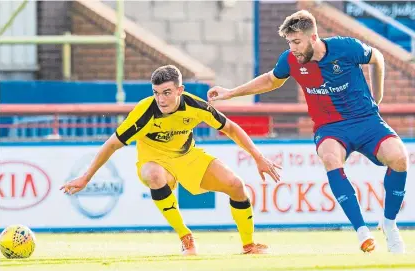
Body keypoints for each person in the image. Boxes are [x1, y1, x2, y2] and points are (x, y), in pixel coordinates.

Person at [207, 10, 408, 254]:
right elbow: (271, 80)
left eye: (297, 42)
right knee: (330, 157)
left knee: (399, 157)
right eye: (289, 42)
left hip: (366, 120)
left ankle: (389, 224)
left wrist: (378, 96)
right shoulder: (291, 60)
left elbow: (378, 59)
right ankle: (361, 231)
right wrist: (230, 93)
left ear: (313, 37)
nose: (293, 48)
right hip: (330, 127)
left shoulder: (346, 47)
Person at [60, 65, 282, 256]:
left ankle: (248, 244)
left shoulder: (196, 106)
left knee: (236, 186)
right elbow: (111, 145)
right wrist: (86, 177)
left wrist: (258, 157)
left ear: (180, 90)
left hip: (188, 157)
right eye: (156, 93)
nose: (161, 99)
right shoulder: (144, 112)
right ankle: (185, 236)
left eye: (167, 92)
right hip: (154, 161)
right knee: (154, 176)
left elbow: (231, 128)